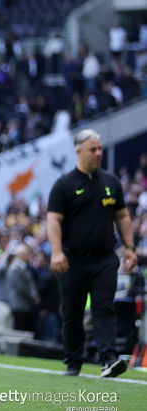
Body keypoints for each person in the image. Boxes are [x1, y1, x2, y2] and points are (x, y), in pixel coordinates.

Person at [47, 129, 137, 378]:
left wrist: (129, 248)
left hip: (105, 258)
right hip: (72, 259)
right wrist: (56, 252)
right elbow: (53, 220)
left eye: (100, 149)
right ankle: (73, 360)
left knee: (104, 307)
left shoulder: (111, 183)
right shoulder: (64, 185)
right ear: (78, 151)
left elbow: (123, 216)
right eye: (93, 149)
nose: (98, 153)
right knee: (73, 312)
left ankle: (108, 358)